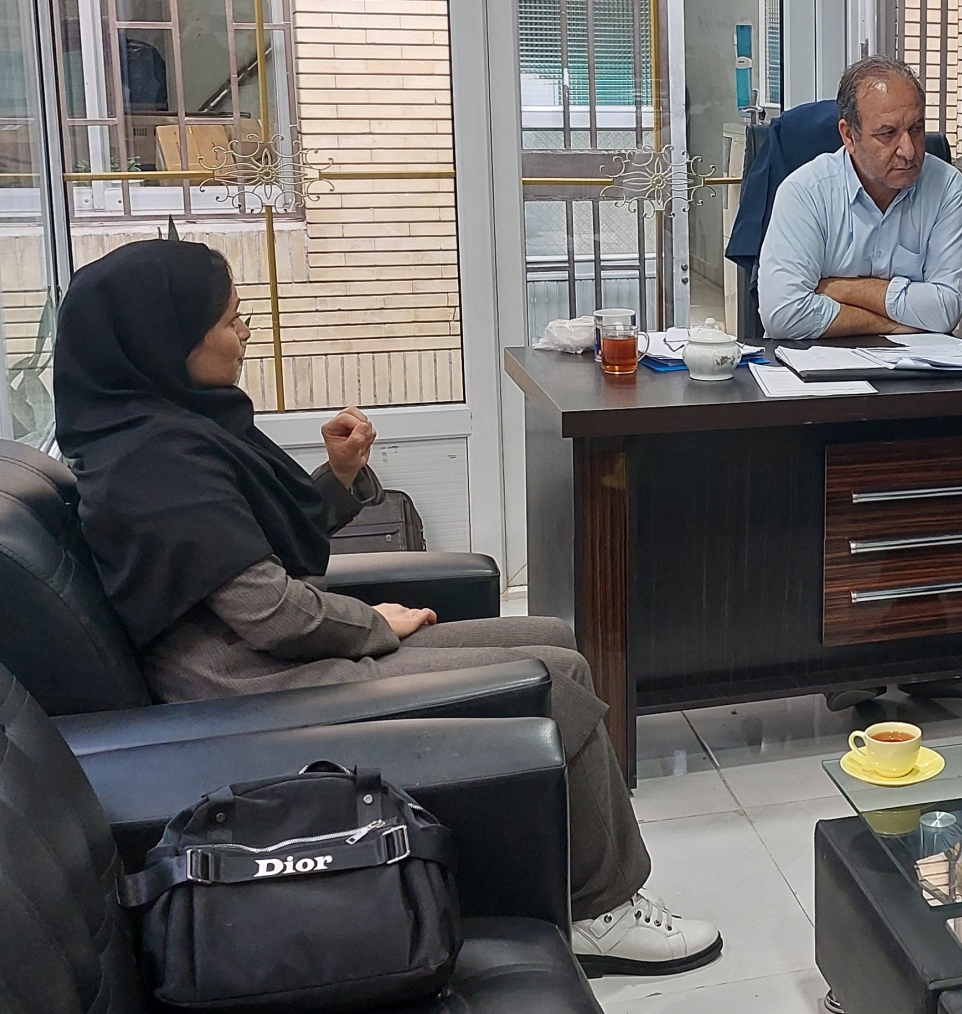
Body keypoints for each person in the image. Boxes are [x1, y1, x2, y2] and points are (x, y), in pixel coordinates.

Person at [53, 236, 721, 976]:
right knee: (554, 680)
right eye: (230, 319)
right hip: (249, 685)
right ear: (167, 339)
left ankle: (573, 884)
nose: (245, 333)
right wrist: (375, 624)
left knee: (552, 636)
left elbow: (248, 550)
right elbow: (274, 614)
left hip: (262, 655)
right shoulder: (155, 464)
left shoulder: (166, 427)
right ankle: (600, 908)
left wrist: (340, 475)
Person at [757, 55, 962, 342]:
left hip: (916, 366)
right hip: (816, 364)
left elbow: (946, 309)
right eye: (888, 134)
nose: (908, 151)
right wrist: (894, 324)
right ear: (849, 136)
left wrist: (843, 289)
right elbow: (784, 316)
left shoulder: (946, 187)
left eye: (916, 129)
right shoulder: (806, 192)